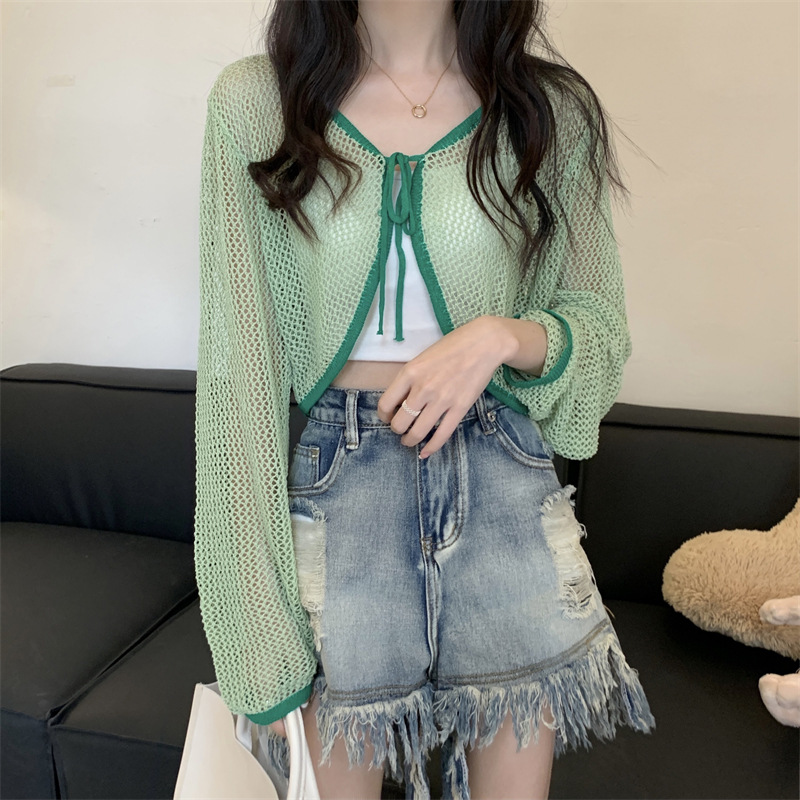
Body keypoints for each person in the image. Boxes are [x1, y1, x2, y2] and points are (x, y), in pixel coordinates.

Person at [194, 1, 657, 798]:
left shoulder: (549, 111)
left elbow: (599, 330)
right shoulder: (256, 103)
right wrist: (256, 641)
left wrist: (499, 337)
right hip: (346, 495)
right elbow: (238, 377)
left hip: (504, 483)